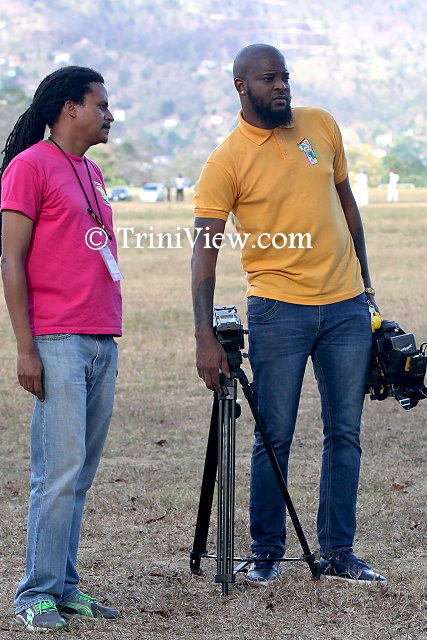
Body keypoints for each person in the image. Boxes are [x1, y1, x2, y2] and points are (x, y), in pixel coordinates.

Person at [191, 44, 387, 587]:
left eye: (285, 77)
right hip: (278, 310)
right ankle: (266, 553)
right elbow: (204, 250)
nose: (281, 86)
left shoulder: (320, 124)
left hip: (346, 307)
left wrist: (367, 287)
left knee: (344, 432)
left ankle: (339, 553)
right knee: (273, 434)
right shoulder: (226, 159)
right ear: (242, 86)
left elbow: (347, 205)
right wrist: (204, 334)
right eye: (269, 78)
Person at [1, 66, 122, 632]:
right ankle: (35, 594)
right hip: (56, 339)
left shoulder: (91, 170)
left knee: (81, 472)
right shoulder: (29, 167)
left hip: (101, 337)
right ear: (70, 108)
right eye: (102, 104)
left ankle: (65, 586)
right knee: (57, 471)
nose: (110, 114)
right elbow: (11, 262)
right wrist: (25, 348)